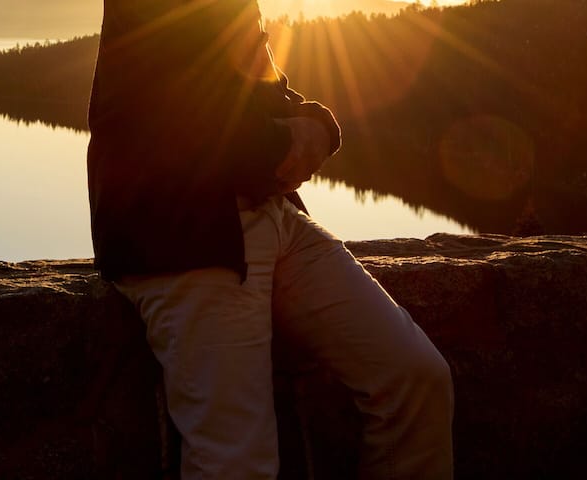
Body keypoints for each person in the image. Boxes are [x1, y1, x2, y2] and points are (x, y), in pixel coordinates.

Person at [86, 1, 455, 478]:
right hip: (184, 238)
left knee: (414, 378)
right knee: (235, 463)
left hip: (273, 219)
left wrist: (317, 125)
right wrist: (285, 143)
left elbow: (253, 88)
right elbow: (172, 115)